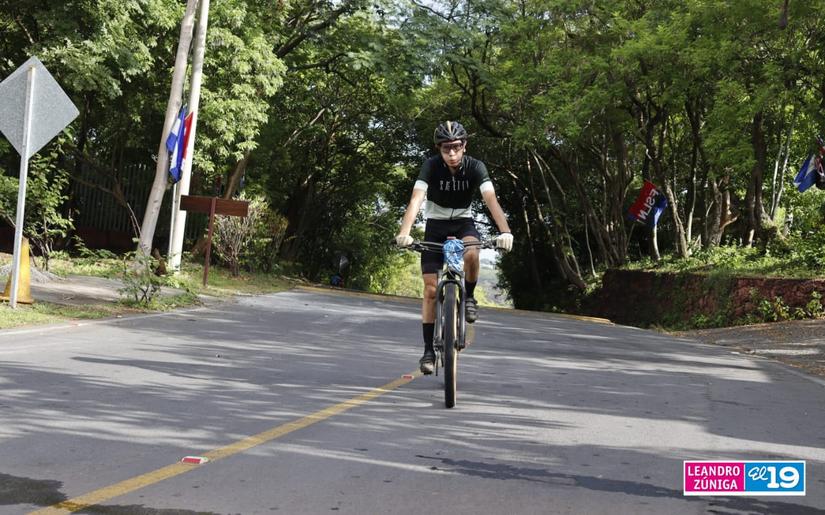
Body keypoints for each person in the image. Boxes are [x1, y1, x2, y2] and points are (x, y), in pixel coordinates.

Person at [395, 120, 513, 375]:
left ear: (464, 146)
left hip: (463, 222)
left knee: (472, 251)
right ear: (439, 149)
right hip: (435, 225)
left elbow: (490, 199)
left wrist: (505, 232)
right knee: (429, 289)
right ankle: (428, 350)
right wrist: (404, 233)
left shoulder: (475, 167)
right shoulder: (430, 166)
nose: (451, 153)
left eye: (456, 147)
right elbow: (416, 199)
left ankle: (469, 297)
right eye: (446, 148)